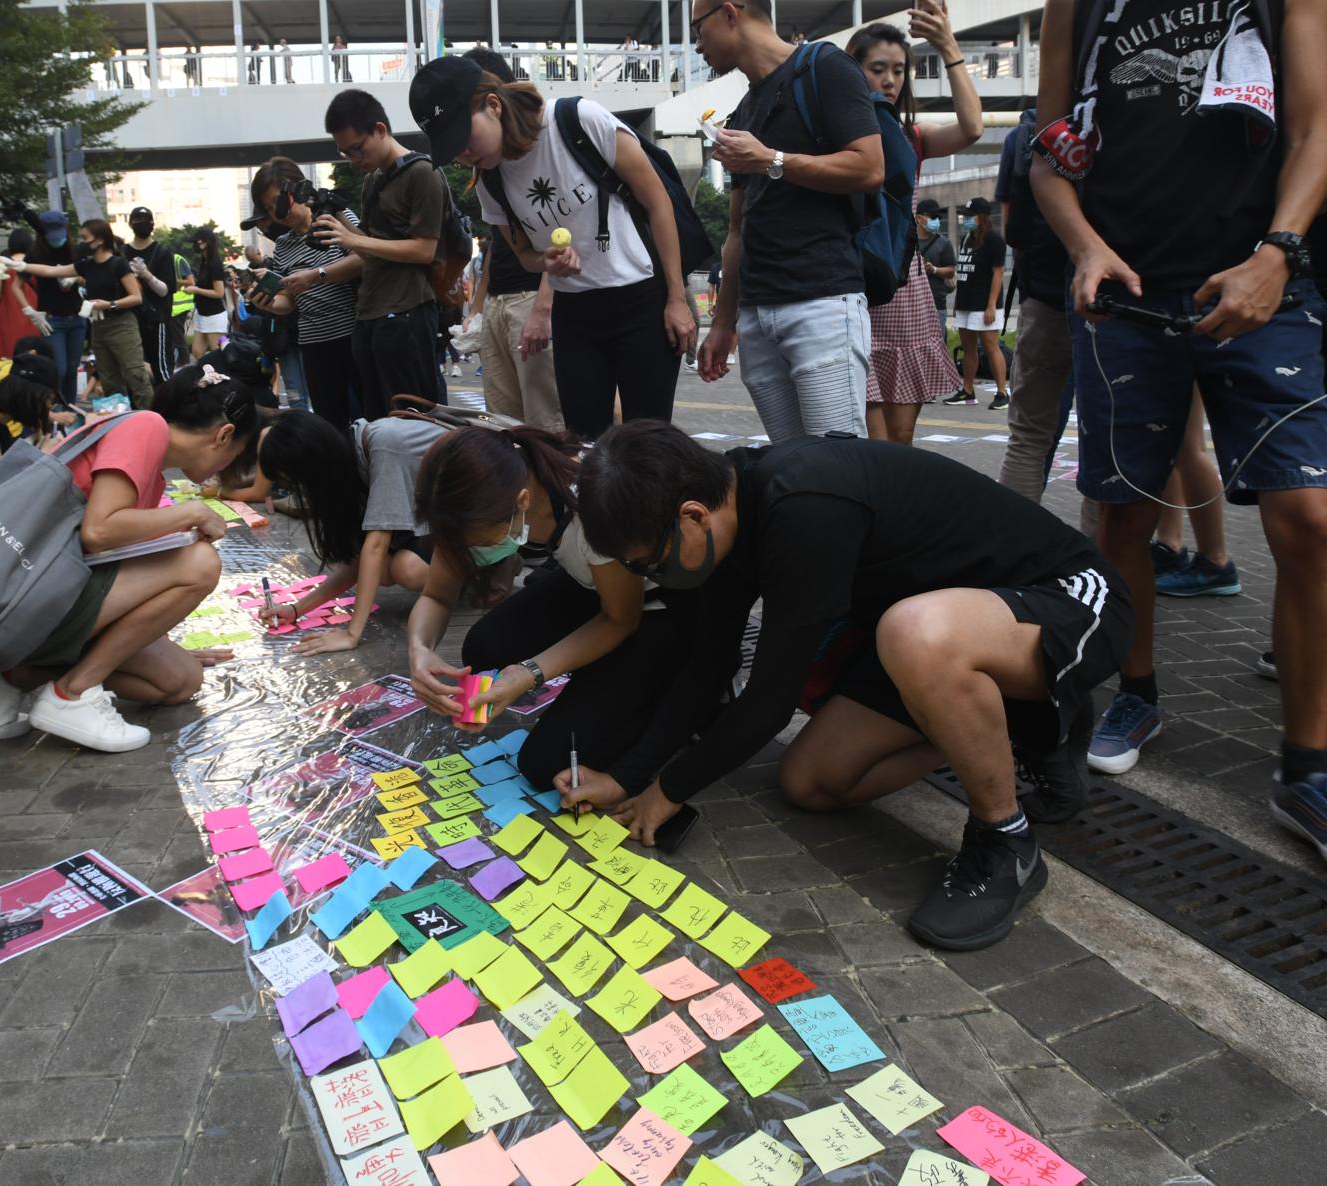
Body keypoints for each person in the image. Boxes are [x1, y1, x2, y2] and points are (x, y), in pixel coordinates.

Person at [563, 422, 1131, 949]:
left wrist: (666, 793)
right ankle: (1015, 719)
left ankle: (1005, 840)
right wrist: (626, 778)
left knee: (912, 633)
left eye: (645, 564)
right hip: (938, 638)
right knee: (811, 783)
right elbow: (708, 668)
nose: (647, 579)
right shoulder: (724, 523)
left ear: (691, 516)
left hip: (1064, 601)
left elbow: (768, 703)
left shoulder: (804, 505)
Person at [1033, 0, 1327, 852]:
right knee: (1122, 513)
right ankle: (1136, 691)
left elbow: (1314, 131)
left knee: (1308, 515)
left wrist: (1278, 254)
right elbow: (1050, 152)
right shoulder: (1074, 7)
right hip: (1124, 295)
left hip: (1266, 288)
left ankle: (1307, 763)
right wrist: (1083, 245)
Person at [0, 362, 259, 751]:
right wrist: (192, 513)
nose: (224, 469)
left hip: (41, 592)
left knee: (181, 681)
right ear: (224, 435)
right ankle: (72, 694)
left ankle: (15, 673)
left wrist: (158, 636)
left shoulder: (151, 466)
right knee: (200, 562)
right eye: (232, 457)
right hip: (23, 597)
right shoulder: (145, 427)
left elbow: (125, 561)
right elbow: (100, 531)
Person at [413, 55, 694, 438]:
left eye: (464, 137)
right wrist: (545, 260)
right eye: (451, 148)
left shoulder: (578, 121)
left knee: (648, 440)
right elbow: (525, 256)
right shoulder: (489, 182)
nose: (463, 154)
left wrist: (677, 297)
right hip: (575, 313)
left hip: (640, 299)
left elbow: (657, 203)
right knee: (581, 443)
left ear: (493, 105)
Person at [408, 427, 695, 789]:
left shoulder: (594, 509)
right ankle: (601, 673)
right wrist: (419, 651)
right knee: (485, 648)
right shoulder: (481, 489)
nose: (474, 555)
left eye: (479, 543)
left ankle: (675, 689)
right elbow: (436, 595)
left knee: (544, 765)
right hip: (593, 582)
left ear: (522, 502)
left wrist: (530, 672)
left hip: (657, 605)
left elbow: (621, 619)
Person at [690, 0, 883, 442]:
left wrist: (771, 159)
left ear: (731, 12)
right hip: (757, 314)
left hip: (821, 301)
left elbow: (870, 168)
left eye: (699, 30)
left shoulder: (827, 68)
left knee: (836, 470)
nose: (698, 46)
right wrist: (723, 323)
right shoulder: (742, 112)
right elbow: (737, 230)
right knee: (792, 466)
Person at [848, 12, 979, 445]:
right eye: (877, 69)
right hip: (852, 282)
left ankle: (893, 511)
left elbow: (972, 128)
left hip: (903, 287)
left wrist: (948, 48)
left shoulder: (912, 136)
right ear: (853, 69)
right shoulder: (833, 137)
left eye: (899, 70)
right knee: (870, 436)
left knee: (900, 439)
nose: (889, 80)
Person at [256, 410, 443, 655]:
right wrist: (296, 610)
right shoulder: (350, 460)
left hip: (487, 519)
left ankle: (475, 572)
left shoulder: (383, 448)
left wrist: (351, 634)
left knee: (405, 568)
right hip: (439, 517)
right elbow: (359, 560)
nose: (302, 492)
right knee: (382, 569)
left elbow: (375, 547)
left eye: (298, 481)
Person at [319, 89, 447, 417]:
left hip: (407, 312)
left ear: (380, 129)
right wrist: (340, 228)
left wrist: (355, 240)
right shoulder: (373, 180)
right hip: (370, 313)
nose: (354, 159)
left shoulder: (424, 172)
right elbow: (373, 247)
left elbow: (424, 249)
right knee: (378, 420)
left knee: (416, 420)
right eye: (346, 153)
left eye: (358, 148)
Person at [456, 47, 563, 430]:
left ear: (493, 97)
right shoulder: (489, 165)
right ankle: (524, 492)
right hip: (501, 303)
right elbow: (497, 246)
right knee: (502, 427)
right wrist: (478, 309)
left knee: (547, 423)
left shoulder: (547, 141)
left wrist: (543, 308)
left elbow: (566, 235)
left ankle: (560, 491)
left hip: (532, 298)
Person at [993, 109, 1077, 506]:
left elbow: (1013, 230)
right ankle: (1105, 563)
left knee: (1029, 437)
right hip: (1115, 298)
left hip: (1043, 295)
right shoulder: (1114, 114)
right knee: (1105, 438)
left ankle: (1016, 553)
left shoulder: (1023, 135)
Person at [248, 156, 362, 432]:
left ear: (296, 189)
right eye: (267, 208)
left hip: (353, 338)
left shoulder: (335, 216)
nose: (276, 212)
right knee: (330, 427)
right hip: (313, 345)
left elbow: (365, 257)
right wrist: (271, 303)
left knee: (365, 422)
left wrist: (317, 275)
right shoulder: (283, 246)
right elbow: (289, 299)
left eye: (276, 200)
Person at [6, 219, 154, 408]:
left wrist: (109, 304)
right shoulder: (86, 265)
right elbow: (52, 270)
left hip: (122, 325)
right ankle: (121, 421)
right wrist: (23, 266)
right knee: (109, 379)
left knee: (135, 375)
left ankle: (151, 419)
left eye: (86, 238)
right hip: (98, 327)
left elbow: (136, 297)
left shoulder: (118, 264)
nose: (82, 243)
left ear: (100, 240)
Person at [1151, 395, 1241, 598]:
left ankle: (1215, 561)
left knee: (1188, 446)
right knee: (1168, 445)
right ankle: (1169, 546)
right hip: (1175, 364)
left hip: (1182, 364)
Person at [22, 210, 89, 405]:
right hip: (52, 320)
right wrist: (29, 310)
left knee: (72, 368)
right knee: (58, 369)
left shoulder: (73, 250)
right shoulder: (35, 254)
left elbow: (87, 279)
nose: (57, 238)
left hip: (77, 317)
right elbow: (17, 285)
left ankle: (70, 410)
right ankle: (54, 410)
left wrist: (75, 278)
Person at [947, 197, 1008, 408]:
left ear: (982, 217)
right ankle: (967, 391)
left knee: (991, 346)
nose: (966, 219)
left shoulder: (994, 240)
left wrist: (991, 305)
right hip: (965, 302)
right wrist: (957, 304)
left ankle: (1002, 393)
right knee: (968, 347)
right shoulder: (966, 239)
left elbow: (998, 274)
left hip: (984, 305)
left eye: (970, 215)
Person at [121, 206, 180, 384]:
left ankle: (168, 408)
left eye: (145, 220)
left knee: (161, 371)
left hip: (157, 319)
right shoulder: (123, 253)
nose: (142, 224)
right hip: (130, 319)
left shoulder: (162, 252)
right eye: (137, 220)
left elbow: (165, 290)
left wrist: (146, 275)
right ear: (130, 224)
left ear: (153, 224)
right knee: (134, 372)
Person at [0, 228, 37, 364]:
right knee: (32, 361)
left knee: (8, 361)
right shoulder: (35, 264)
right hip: (33, 318)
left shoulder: (2, 264)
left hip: (7, 318)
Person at [182, 226, 227, 359]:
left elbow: (219, 293)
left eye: (200, 241)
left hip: (214, 315)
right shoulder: (204, 262)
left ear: (207, 242)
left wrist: (196, 289)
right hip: (202, 313)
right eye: (196, 242)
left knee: (217, 353)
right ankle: (209, 375)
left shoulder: (214, 264)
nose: (197, 244)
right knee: (197, 351)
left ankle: (223, 378)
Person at [915, 199, 956, 336]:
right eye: (933, 217)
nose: (937, 220)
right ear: (919, 218)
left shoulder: (944, 243)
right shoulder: (908, 243)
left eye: (938, 217)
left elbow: (951, 271)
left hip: (937, 304)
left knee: (938, 344)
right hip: (913, 304)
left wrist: (934, 270)